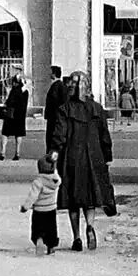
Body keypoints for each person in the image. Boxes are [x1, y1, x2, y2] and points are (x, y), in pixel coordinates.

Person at [49, 71, 117, 251]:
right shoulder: (97, 108)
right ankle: (90, 225)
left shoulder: (65, 109)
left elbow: (59, 135)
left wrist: (54, 152)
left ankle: (77, 238)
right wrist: (107, 157)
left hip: (71, 156)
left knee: (73, 199)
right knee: (90, 197)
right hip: (94, 157)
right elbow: (105, 135)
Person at [20, 156, 61, 255]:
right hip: (51, 208)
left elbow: (33, 196)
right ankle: (51, 246)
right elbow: (55, 173)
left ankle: (39, 240)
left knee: (38, 228)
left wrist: (25, 206)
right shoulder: (56, 180)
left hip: (39, 209)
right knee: (51, 229)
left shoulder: (38, 182)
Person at [0, 77, 29, 161]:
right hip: (21, 116)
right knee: (18, 134)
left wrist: (7, 98)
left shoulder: (14, 91)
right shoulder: (25, 92)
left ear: (16, 83)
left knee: (5, 134)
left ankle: (2, 153)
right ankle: (17, 153)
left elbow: (10, 102)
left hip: (11, 116)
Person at [43, 66, 67, 157]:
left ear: (54, 74)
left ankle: (52, 155)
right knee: (49, 137)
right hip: (52, 117)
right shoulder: (55, 85)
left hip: (55, 118)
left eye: (51, 72)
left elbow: (61, 102)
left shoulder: (59, 86)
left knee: (52, 137)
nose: (49, 74)